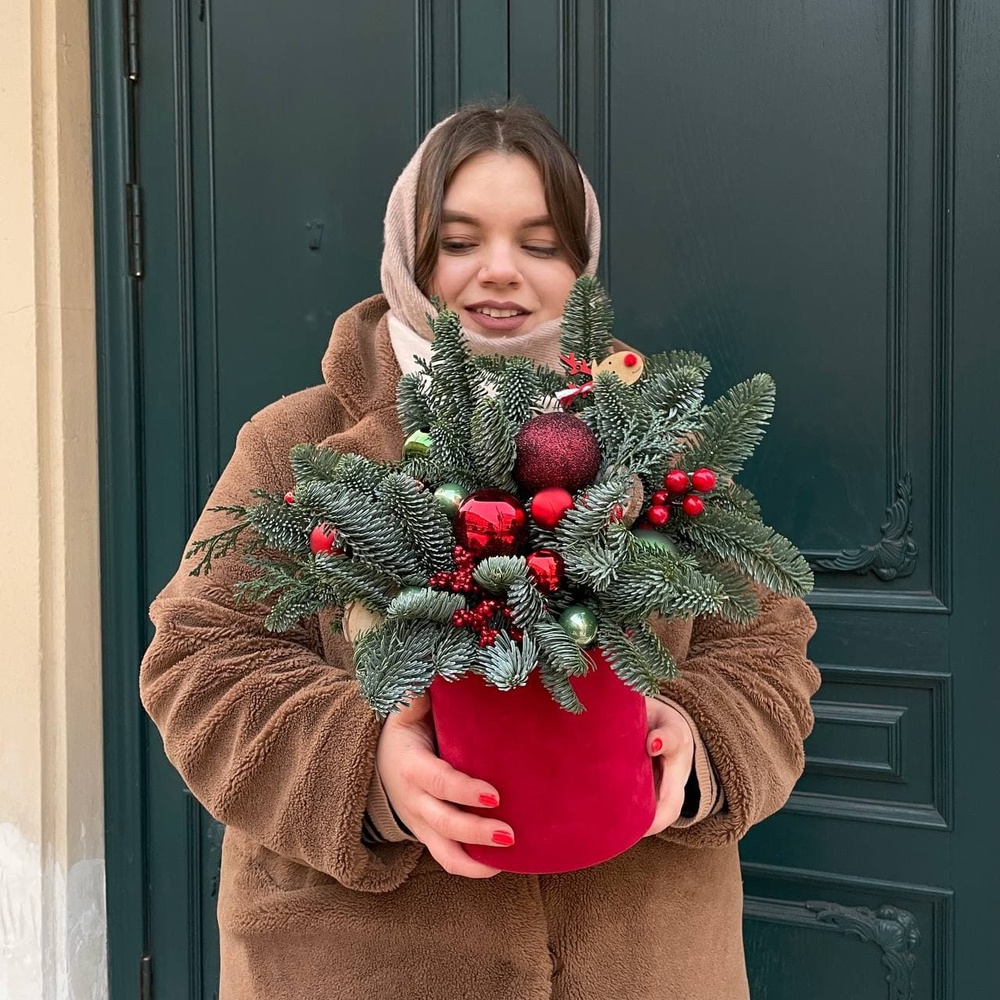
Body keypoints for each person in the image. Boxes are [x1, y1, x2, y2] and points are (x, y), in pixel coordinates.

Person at [140, 102, 820, 1000]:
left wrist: (705, 740)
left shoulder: (657, 435)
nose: (501, 272)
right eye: (460, 241)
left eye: (541, 244)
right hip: (358, 964)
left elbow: (769, 640)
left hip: (647, 959)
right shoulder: (294, 444)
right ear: (410, 253)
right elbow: (198, 661)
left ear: (580, 263)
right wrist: (364, 765)